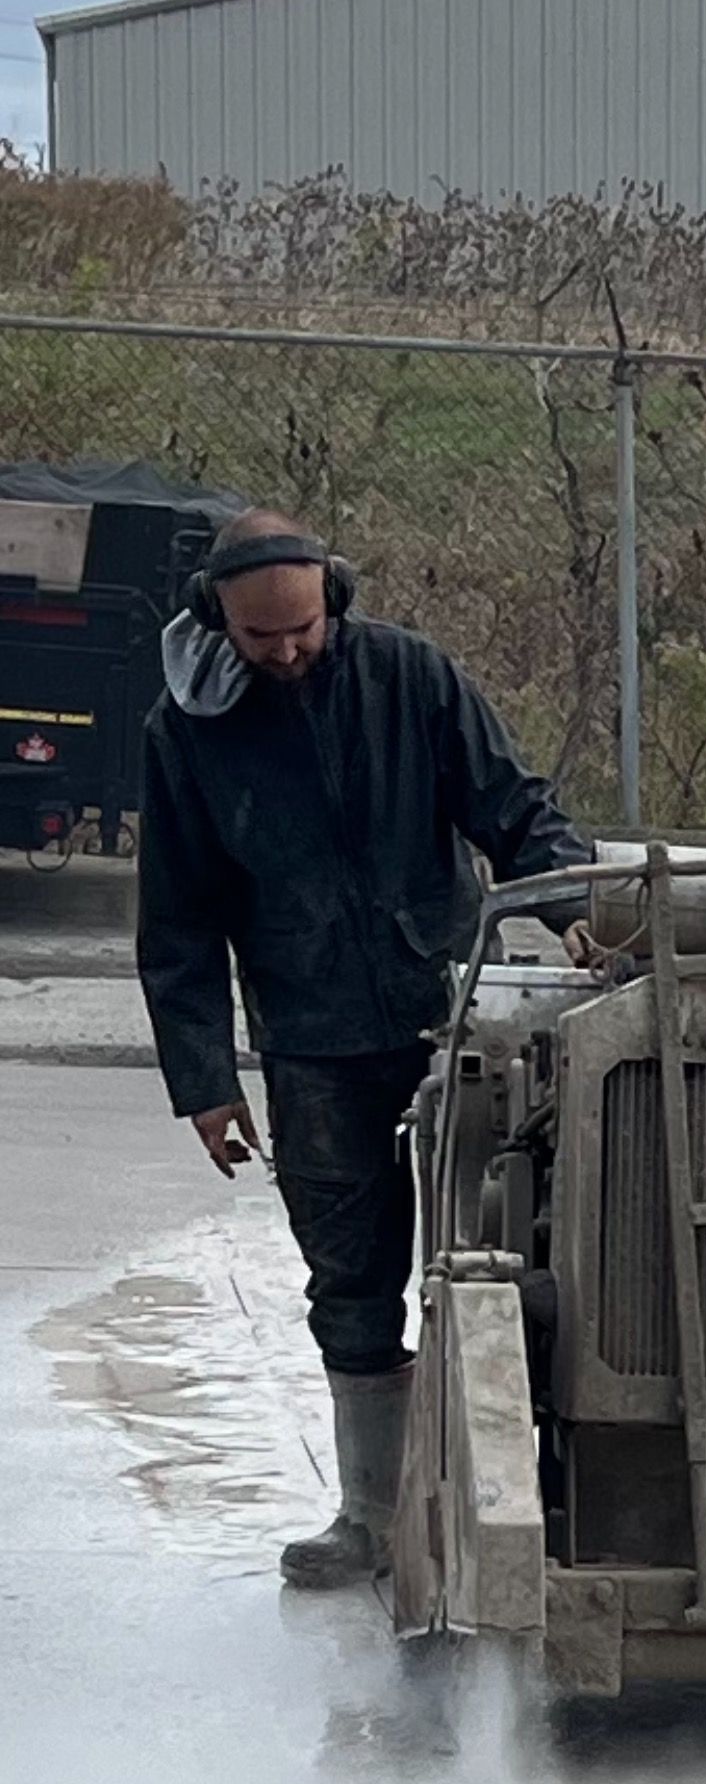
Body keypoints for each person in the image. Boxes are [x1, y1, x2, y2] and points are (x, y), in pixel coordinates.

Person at [137, 507, 593, 1587]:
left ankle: (536, 1501)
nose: (288, 652)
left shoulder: (409, 678)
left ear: (332, 599)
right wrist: (205, 1081)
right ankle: (372, 1519)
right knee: (349, 1278)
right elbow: (180, 922)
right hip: (312, 1042)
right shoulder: (186, 733)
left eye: (303, 629)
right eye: (261, 638)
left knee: (511, 1256)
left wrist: (572, 901)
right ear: (219, 623)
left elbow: (512, 805)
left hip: (454, 1020)